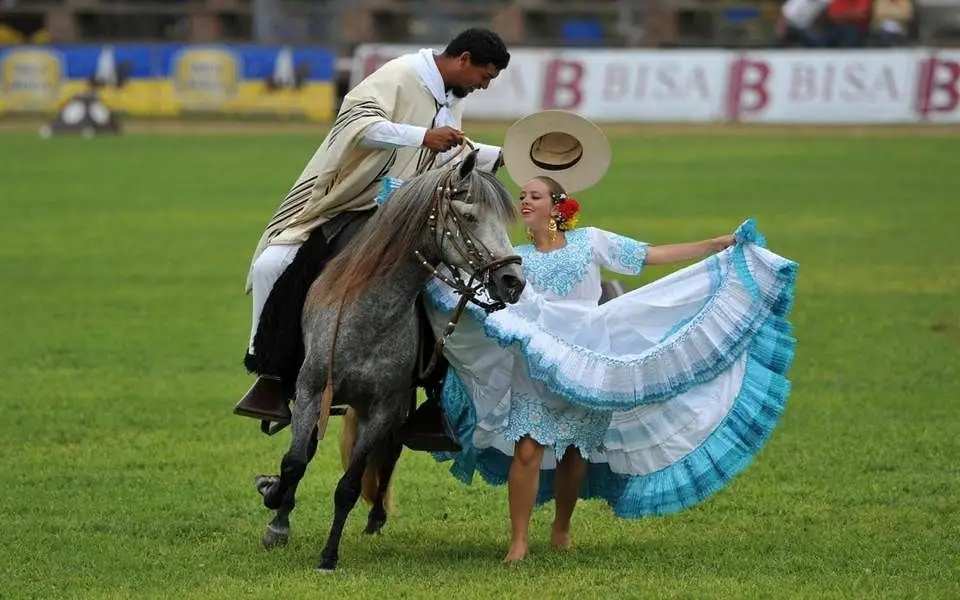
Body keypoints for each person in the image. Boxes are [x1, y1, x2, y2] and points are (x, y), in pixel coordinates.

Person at [417, 110, 798, 563]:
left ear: (558, 206)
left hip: (590, 355)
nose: (524, 202)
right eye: (523, 195)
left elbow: (649, 254)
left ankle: (562, 525)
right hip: (536, 359)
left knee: (577, 449)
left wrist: (711, 246)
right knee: (527, 447)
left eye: (534, 196)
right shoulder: (511, 259)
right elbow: (473, 274)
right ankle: (518, 541)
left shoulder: (590, 241)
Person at [233, 28, 511, 442]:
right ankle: (270, 375)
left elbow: (451, 151)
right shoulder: (399, 75)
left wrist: (501, 156)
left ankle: (432, 400)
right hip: (350, 200)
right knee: (272, 263)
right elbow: (357, 126)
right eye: (484, 77)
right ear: (464, 59)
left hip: (405, 217)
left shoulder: (451, 98)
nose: (483, 87)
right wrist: (422, 136)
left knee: (445, 290)